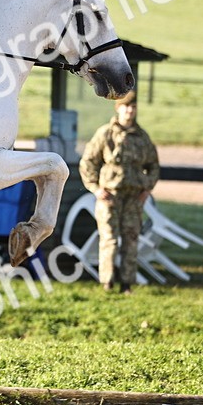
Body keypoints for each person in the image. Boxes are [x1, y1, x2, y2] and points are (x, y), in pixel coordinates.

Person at [79, 91, 160, 294]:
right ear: (118, 108)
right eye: (126, 106)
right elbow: (88, 162)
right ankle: (107, 282)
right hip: (110, 197)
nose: (130, 110)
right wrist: (96, 189)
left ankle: (127, 283)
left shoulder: (142, 137)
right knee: (109, 239)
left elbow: (153, 166)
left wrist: (147, 188)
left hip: (133, 198)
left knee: (131, 239)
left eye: (133, 107)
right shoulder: (106, 134)